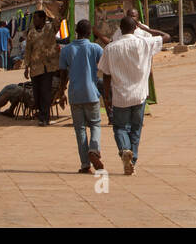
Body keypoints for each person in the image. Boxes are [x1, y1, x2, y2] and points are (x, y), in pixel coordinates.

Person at [97, 16, 164, 175]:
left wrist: (107, 96)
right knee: (136, 129)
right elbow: (166, 37)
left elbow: (105, 75)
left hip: (120, 97)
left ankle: (124, 150)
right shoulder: (144, 43)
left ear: (120, 29)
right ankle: (132, 159)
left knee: (120, 127)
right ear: (135, 28)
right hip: (139, 95)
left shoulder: (111, 48)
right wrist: (146, 28)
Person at [59, 20, 105, 173]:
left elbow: (62, 74)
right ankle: (94, 149)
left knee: (79, 130)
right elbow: (103, 67)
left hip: (74, 94)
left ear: (76, 31)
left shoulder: (66, 50)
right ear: (89, 33)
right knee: (95, 125)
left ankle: (85, 164)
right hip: (91, 93)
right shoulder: (95, 48)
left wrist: (61, 93)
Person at [24, 9, 61, 126]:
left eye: (36, 18)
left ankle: (45, 118)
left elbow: (59, 20)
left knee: (45, 92)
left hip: (48, 67)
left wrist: (60, 8)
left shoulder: (50, 29)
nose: (34, 20)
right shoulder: (31, 33)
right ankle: (41, 114)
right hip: (35, 68)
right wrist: (26, 67)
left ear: (42, 19)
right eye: (33, 18)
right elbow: (28, 50)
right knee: (37, 94)